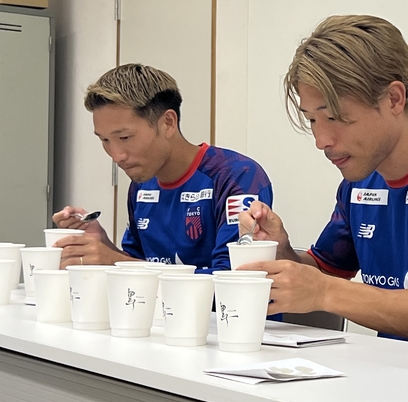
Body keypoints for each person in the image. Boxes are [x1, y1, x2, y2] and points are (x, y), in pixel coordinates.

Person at [238, 15, 408, 341]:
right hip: (385, 367)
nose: (321, 140)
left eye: (335, 117)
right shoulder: (358, 183)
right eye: (312, 120)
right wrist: (281, 251)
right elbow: (322, 273)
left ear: (394, 99)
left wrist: (325, 292)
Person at [52, 64, 273, 271]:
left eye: (125, 137)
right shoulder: (142, 185)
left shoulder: (236, 175)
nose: (117, 156)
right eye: (105, 140)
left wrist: (115, 262)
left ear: (168, 123)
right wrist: (102, 244)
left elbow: (235, 280)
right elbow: (136, 266)